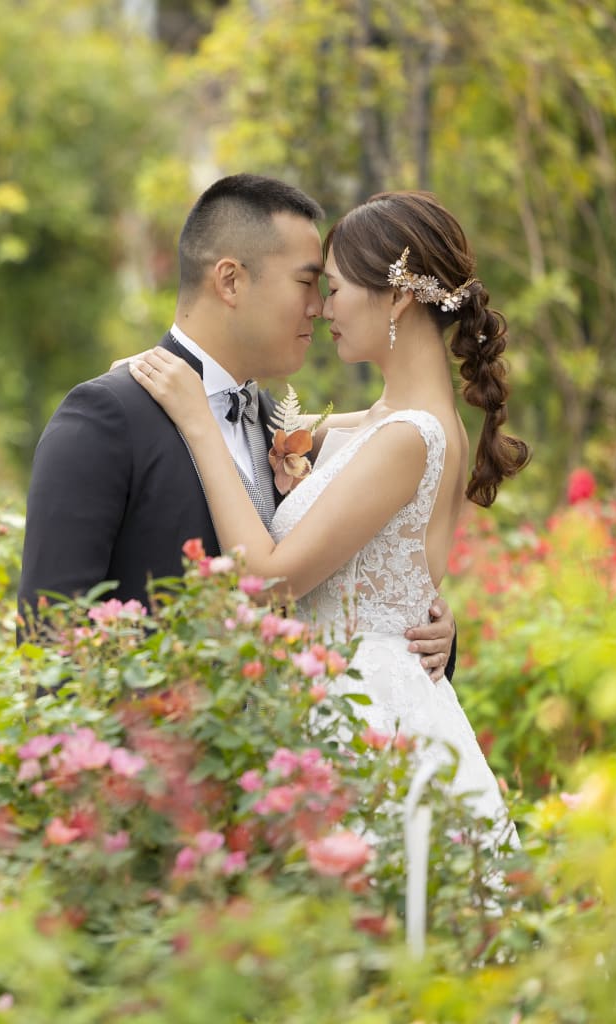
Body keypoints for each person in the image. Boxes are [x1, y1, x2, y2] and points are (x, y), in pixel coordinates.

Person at [130, 190, 530, 839]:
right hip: (350, 705)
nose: (320, 308)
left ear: (398, 295)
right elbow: (270, 440)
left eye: (336, 288)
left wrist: (198, 423)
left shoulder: (411, 437)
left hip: (366, 723)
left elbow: (271, 581)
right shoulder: (381, 426)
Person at [18, 174, 455, 678]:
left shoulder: (277, 426)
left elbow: (351, 570)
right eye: (305, 282)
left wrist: (429, 625)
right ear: (230, 281)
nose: (319, 307)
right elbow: (49, 640)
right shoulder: (107, 416)